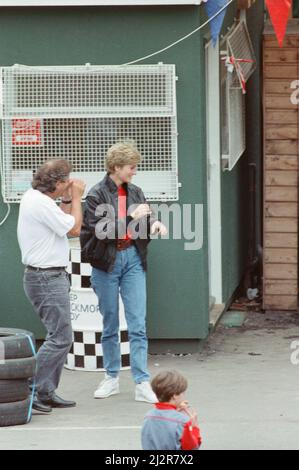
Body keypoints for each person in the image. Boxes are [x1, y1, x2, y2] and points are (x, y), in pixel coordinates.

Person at [80, 142, 167, 403]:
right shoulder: (96, 194)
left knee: (138, 323)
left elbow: (145, 218)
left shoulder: (136, 191)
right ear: (116, 167)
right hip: (106, 262)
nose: (135, 171)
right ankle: (111, 377)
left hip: (132, 258)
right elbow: (101, 231)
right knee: (110, 323)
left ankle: (141, 381)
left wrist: (154, 223)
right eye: (132, 167)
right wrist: (131, 218)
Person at [17, 160, 86, 413]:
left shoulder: (36, 199)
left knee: (60, 336)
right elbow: (75, 228)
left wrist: (67, 199)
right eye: (66, 180)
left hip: (48, 276)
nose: (69, 183)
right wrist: (77, 198)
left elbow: (63, 224)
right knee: (61, 338)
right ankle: (32, 391)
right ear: (57, 183)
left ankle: (45, 391)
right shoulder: (40, 203)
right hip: (45, 277)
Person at [141, 370, 202, 450]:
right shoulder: (182, 421)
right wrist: (194, 428)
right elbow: (192, 447)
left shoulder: (148, 416)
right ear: (175, 396)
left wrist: (175, 410)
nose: (184, 396)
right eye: (183, 393)